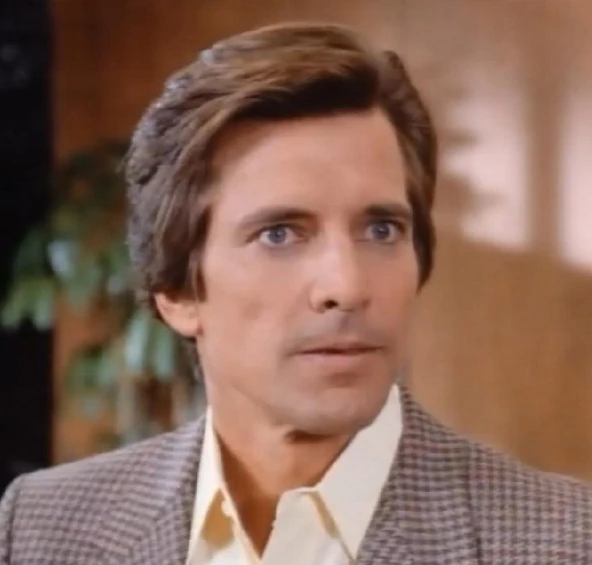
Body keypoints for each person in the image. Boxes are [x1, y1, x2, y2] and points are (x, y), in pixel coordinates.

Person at [1, 21, 590, 565]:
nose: (346, 286)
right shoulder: (41, 527)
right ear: (178, 291)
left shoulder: (563, 541)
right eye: (279, 234)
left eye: (381, 230)